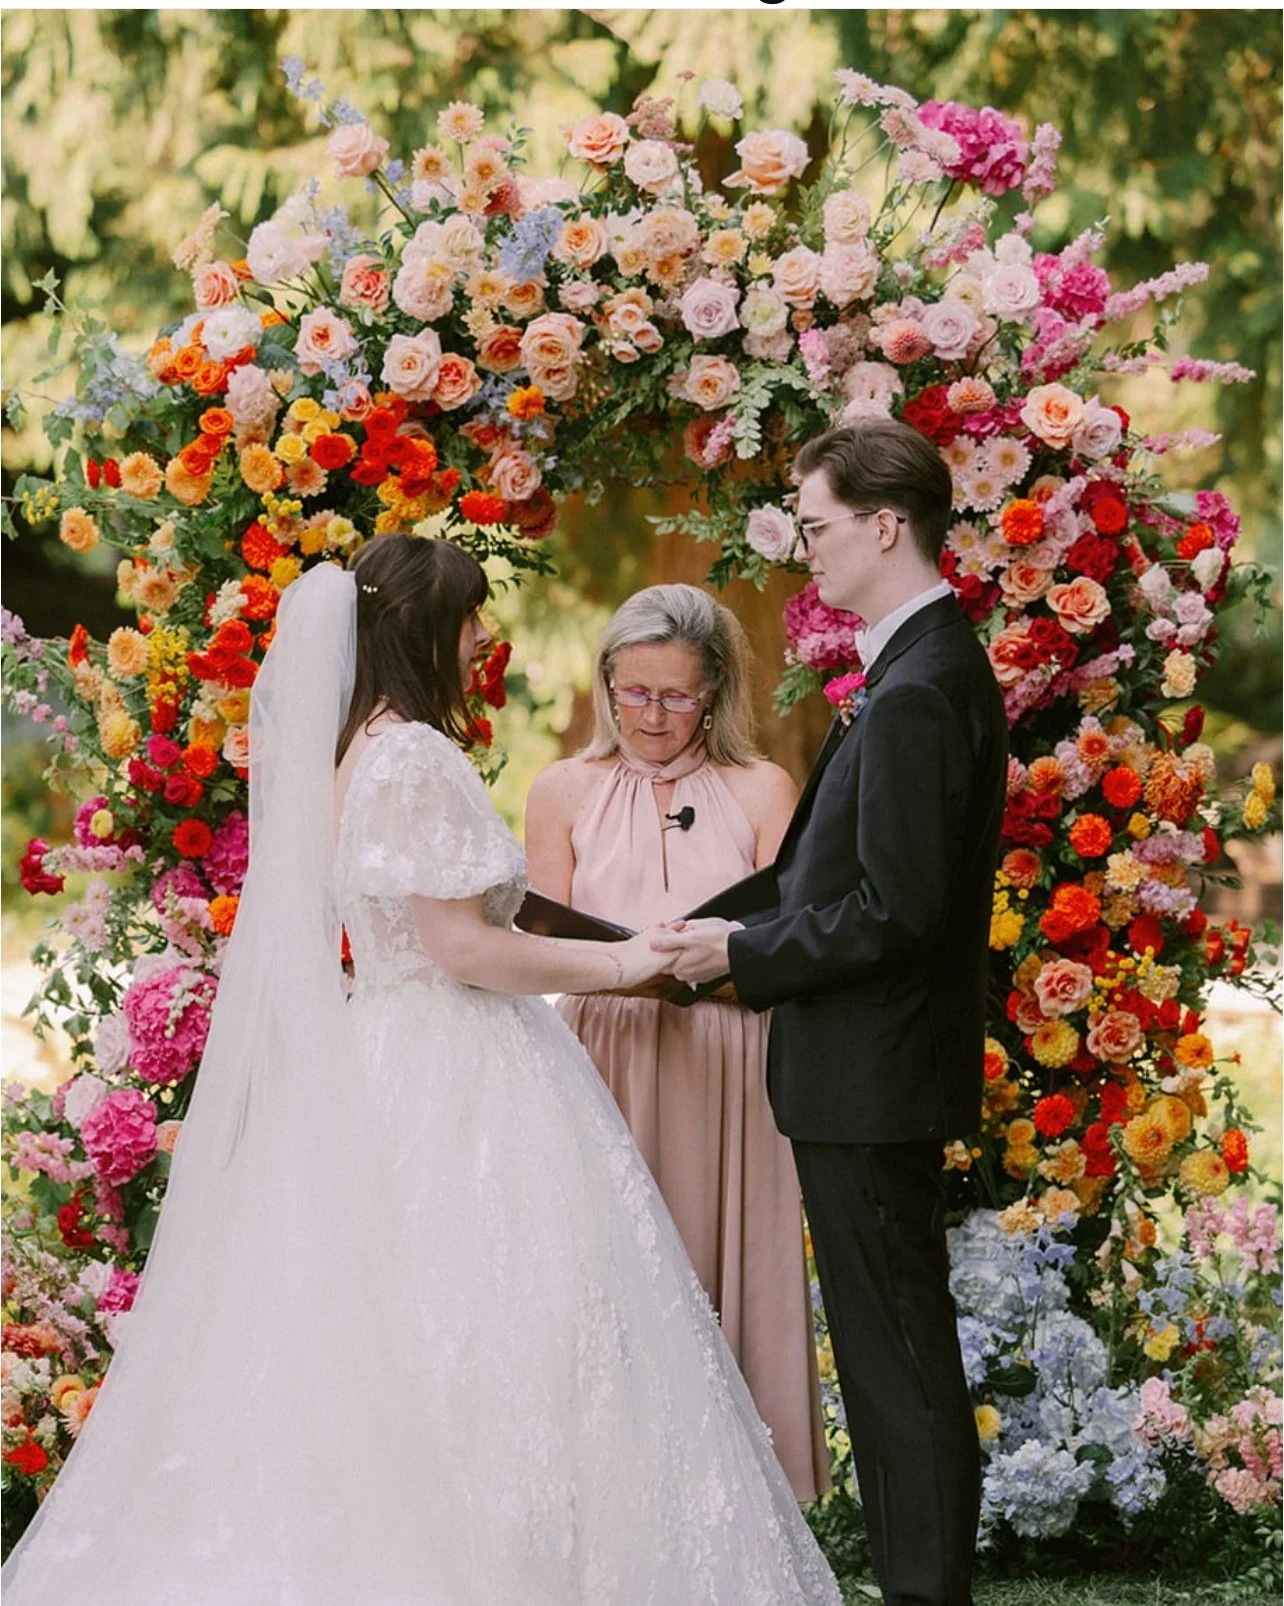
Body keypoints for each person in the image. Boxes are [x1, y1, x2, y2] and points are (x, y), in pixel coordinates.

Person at [2, 538, 841, 1606]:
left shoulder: (354, 750)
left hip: (394, 1051)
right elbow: (465, 949)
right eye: (471, 616)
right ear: (423, 630)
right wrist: (628, 962)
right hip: (461, 1061)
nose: (485, 635)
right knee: (495, 1317)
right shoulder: (414, 758)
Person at [655, 421, 1009, 1606]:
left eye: (815, 526)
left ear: (884, 525)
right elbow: (833, 874)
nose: (804, 549)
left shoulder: (919, 690)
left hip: (873, 1068)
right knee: (889, 1346)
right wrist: (706, 927)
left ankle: (924, 1589)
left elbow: (896, 910)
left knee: (896, 1354)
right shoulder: (919, 668)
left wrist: (742, 953)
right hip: (870, 1065)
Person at [525, 584, 830, 1504]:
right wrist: (623, 967)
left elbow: (794, 940)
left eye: (675, 696)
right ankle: (615, 1492)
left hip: (727, 1054)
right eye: (633, 692)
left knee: (723, 1263)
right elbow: (542, 943)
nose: (651, 716)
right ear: (606, 684)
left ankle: (742, 1502)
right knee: (612, 1268)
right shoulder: (561, 790)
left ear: (716, 692)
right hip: (605, 1053)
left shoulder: (762, 789)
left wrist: (715, 965)